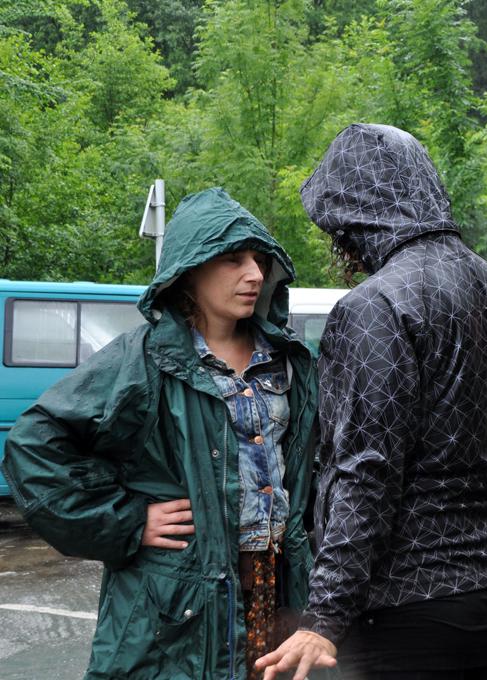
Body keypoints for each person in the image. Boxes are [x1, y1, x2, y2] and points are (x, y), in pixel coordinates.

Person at [255, 123, 487, 680]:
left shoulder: (374, 307)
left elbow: (366, 472)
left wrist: (325, 616)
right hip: (486, 601)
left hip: (400, 611)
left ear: (356, 216)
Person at [1, 187, 319, 680]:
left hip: (278, 587)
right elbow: (34, 447)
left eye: (259, 260)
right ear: (190, 269)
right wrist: (126, 521)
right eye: (233, 259)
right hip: (177, 601)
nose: (255, 274)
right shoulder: (144, 360)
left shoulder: (289, 361)